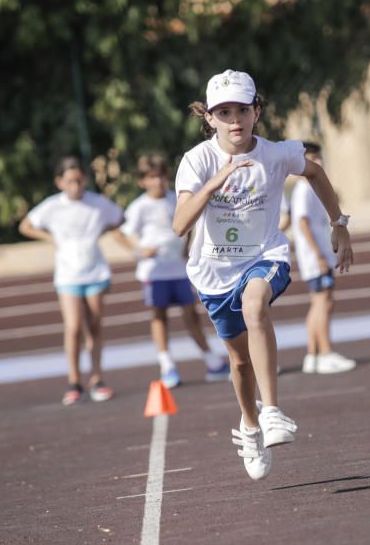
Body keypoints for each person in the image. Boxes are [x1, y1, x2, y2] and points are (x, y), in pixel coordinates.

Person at [172, 69, 353, 481]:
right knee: (239, 363)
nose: (234, 120)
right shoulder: (197, 160)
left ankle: (271, 412)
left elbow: (316, 174)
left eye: (242, 110)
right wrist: (213, 183)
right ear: (210, 119)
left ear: (257, 110)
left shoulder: (276, 154)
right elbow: (179, 224)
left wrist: (338, 222)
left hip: (264, 255)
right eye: (224, 112)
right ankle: (250, 425)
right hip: (213, 272)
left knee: (256, 306)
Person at [113, 153, 231, 388]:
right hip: (154, 272)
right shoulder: (140, 207)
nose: (157, 182)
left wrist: (187, 247)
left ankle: (212, 361)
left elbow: (187, 224)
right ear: (142, 181)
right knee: (159, 316)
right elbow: (120, 233)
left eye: (161, 177)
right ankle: (167, 365)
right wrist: (139, 251)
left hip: (178, 269)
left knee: (192, 314)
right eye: (151, 178)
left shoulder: (174, 198)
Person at [19, 157, 124, 404]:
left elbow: (119, 219)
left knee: (94, 325)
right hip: (68, 274)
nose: (75, 186)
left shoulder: (97, 204)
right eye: (69, 182)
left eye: (79, 181)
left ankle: (97, 378)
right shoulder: (52, 206)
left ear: (85, 179)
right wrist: (51, 240)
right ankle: (74, 380)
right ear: (59, 182)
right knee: (73, 327)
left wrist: (100, 232)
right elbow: (26, 226)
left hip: (95, 271)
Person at [290, 142, 357, 374]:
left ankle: (314, 354)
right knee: (323, 302)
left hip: (322, 253)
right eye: (312, 159)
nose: (317, 163)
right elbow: (302, 222)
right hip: (314, 255)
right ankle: (324, 352)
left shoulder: (313, 188)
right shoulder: (303, 189)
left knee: (321, 301)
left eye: (319, 158)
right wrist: (317, 254)